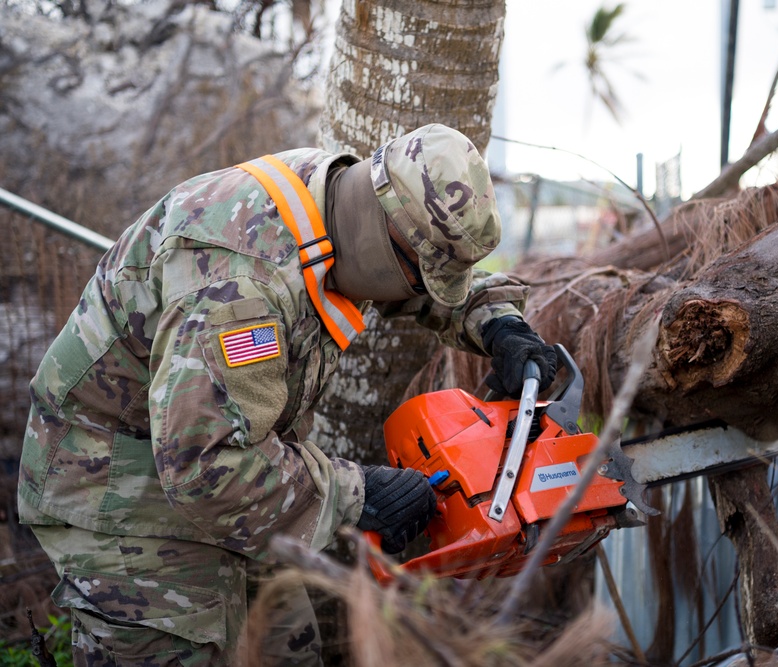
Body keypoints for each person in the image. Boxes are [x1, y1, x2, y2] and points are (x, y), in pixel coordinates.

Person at [18, 124, 558, 665]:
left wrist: (497, 326)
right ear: (383, 235)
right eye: (422, 276)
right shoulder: (237, 288)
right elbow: (203, 467)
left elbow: (410, 276)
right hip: (119, 486)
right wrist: (360, 495)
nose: (422, 291)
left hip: (226, 464)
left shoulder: (338, 199)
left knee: (287, 648)